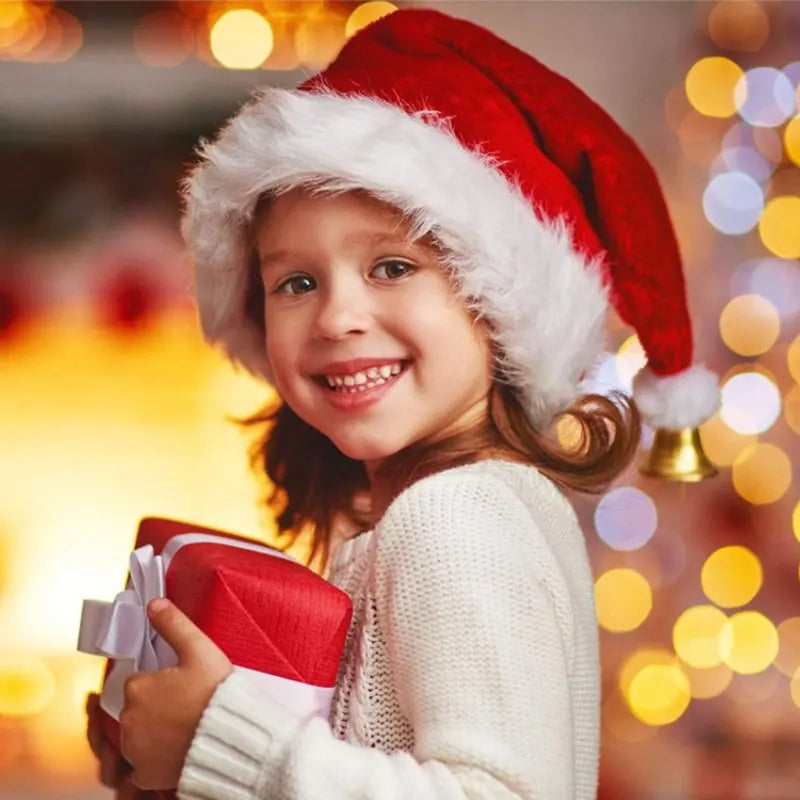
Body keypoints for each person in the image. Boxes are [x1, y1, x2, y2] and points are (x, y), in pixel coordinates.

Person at [85, 8, 719, 799]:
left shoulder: (454, 521)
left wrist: (229, 742)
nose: (337, 315)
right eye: (297, 282)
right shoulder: (439, 511)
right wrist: (176, 767)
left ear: (496, 302)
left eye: (392, 267)